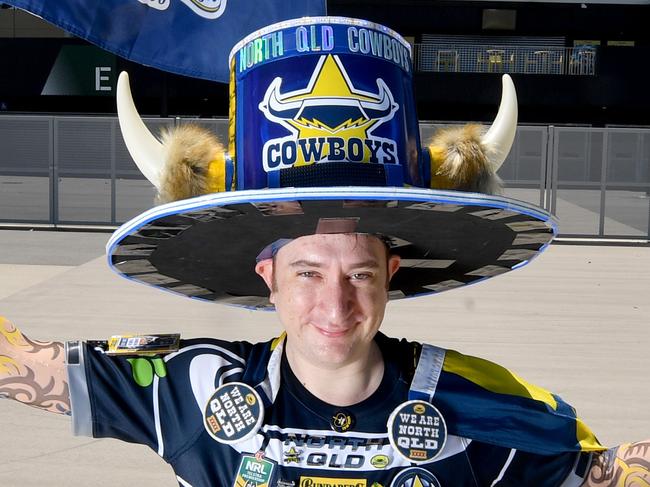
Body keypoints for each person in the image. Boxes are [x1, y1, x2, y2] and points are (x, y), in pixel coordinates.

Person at [2, 15, 649, 487]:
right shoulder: (191, 385)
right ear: (268, 277)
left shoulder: (484, 406)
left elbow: (600, 470)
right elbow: (26, 365)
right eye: (307, 270)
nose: (334, 302)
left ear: (391, 275)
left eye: (359, 272)